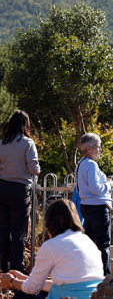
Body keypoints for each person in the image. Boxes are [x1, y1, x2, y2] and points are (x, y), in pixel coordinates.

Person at [0, 199, 104, 299]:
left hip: (70, 297)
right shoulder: (88, 241)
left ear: (50, 223)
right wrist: (24, 278)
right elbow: (66, 285)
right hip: (95, 295)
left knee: (21, 296)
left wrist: (11, 282)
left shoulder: (51, 245)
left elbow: (32, 288)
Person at [0, 111, 40, 273]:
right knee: (19, 231)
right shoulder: (27, 143)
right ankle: (17, 270)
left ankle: (4, 268)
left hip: (2, 187)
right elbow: (34, 169)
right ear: (25, 125)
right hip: (20, 189)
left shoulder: (2, 143)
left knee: (4, 230)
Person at [76, 133, 113, 275]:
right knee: (103, 244)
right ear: (89, 149)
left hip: (86, 205)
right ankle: (106, 276)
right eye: (98, 147)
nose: (100, 150)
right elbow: (96, 189)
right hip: (97, 207)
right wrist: (109, 184)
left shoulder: (80, 164)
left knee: (91, 244)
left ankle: (90, 273)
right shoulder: (91, 165)